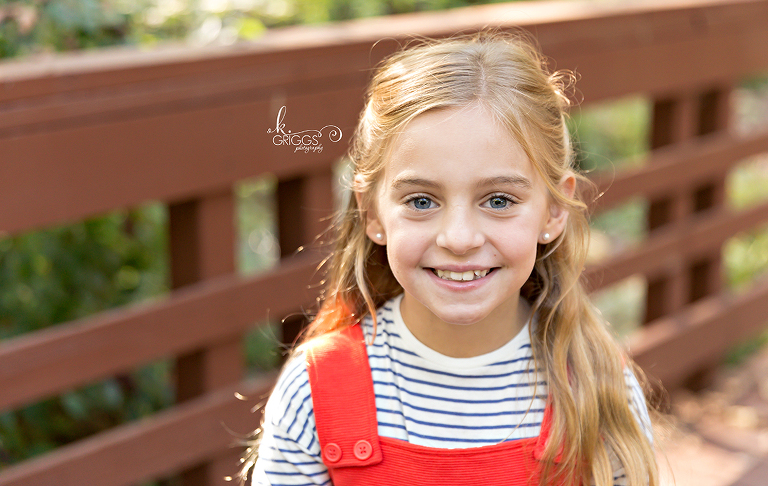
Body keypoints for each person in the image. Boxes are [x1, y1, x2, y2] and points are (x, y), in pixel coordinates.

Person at [240, 31, 658, 486]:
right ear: (372, 213)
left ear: (554, 210)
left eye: (498, 200)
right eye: (421, 201)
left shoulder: (598, 387)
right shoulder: (317, 392)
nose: (459, 238)